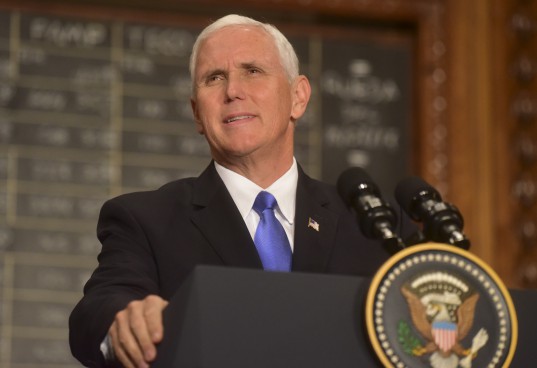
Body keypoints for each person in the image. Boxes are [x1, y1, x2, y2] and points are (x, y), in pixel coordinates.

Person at [69, 14, 407, 367]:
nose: (232, 91)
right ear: (197, 114)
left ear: (298, 97)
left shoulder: (378, 225)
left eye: (253, 71)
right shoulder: (145, 220)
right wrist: (124, 322)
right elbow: (97, 311)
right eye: (214, 78)